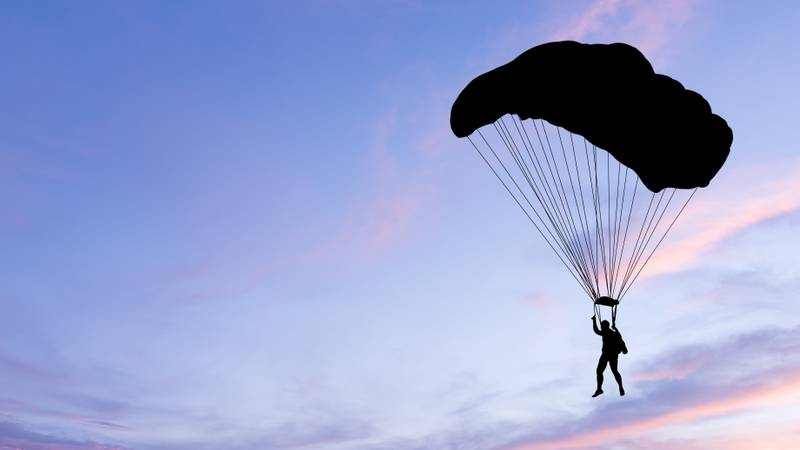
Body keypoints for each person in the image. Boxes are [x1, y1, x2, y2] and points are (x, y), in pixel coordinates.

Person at [591, 315, 627, 397]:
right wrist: (616, 329)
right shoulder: (615, 333)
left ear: (605, 326)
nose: (602, 328)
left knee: (599, 371)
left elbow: (596, 331)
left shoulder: (606, 332)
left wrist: (594, 320)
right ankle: (620, 386)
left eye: (602, 326)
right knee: (614, 371)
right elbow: (620, 339)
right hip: (612, 355)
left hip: (606, 355)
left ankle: (599, 389)